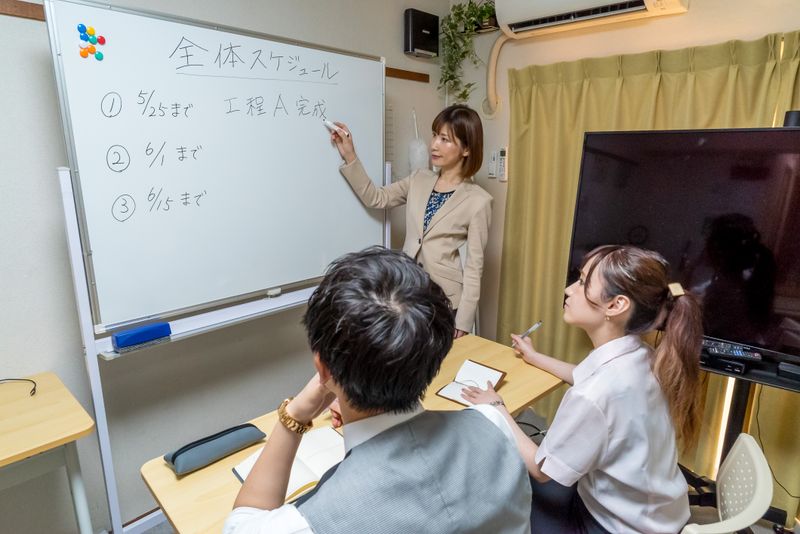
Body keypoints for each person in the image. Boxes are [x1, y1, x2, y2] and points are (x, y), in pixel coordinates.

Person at [224, 246, 532, 534]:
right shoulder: (494, 424)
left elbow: (240, 524)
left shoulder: (307, 525)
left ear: (322, 368)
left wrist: (294, 416)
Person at [462, 245, 704, 534]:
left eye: (583, 282)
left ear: (616, 305)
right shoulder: (643, 356)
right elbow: (585, 376)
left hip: (614, 525)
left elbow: (542, 471)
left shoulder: (597, 394)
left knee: (501, 489)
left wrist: (497, 408)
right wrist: (535, 357)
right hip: (658, 512)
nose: (569, 290)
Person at [330, 105, 492, 337]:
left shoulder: (479, 201)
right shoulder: (419, 178)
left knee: (441, 368)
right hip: (407, 293)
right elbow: (376, 197)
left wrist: (463, 323)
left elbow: (475, 269)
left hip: (445, 302)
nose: (434, 144)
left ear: (466, 149)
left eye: (445, 139)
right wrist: (350, 155)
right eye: (435, 135)